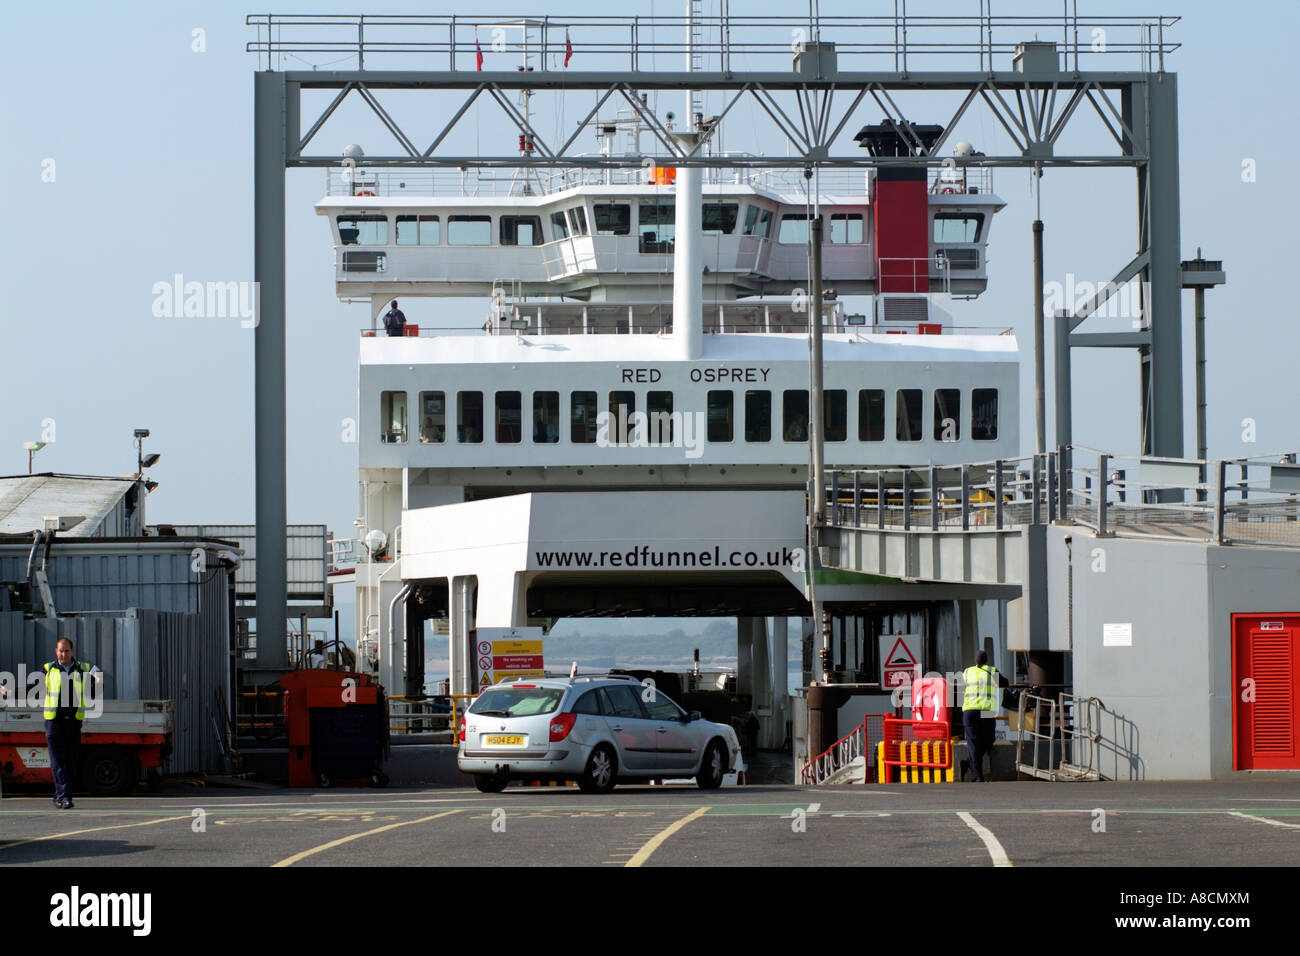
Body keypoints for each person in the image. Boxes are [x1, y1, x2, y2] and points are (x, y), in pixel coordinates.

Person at [43, 637, 103, 809]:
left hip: (73, 723)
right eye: (61, 651)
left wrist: (98, 680)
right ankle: (64, 797)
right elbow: (32, 686)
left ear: (72, 651)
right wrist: (10, 692)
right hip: (54, 723)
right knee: (58, 761)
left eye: (67, 651)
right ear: (56, 651)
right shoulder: (48, 669)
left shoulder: (82, 667)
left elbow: (97, 672)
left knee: (70, 762)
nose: (64, 654)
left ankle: (58, 796)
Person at [961, 649, 1006, 783]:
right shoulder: (992, 671)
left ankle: (968, 763)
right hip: (986, 710)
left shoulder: (967, 671)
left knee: (974, 742)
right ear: (986, 660)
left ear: (975, 661)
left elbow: (960, 685)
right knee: (988, 739)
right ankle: (977, 774)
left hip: (970, 711)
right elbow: (1005, 683)